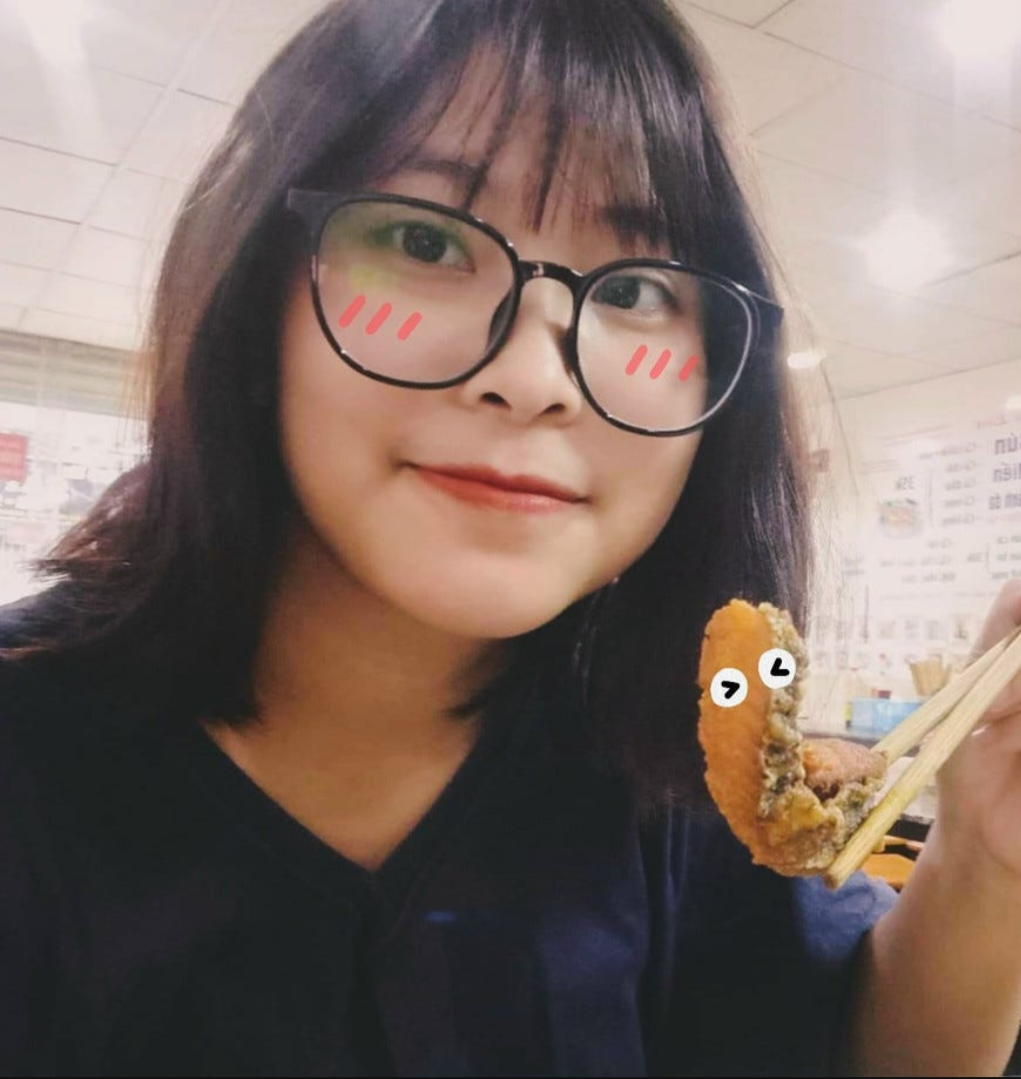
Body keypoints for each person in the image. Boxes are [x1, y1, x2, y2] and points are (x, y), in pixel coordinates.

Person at [1, 0, 1020, 1074]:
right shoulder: (33, 763)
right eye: (425, 239)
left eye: (636, 287)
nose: (533, 377)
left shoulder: (665, 761)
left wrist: (986, 862)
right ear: (256, 285)